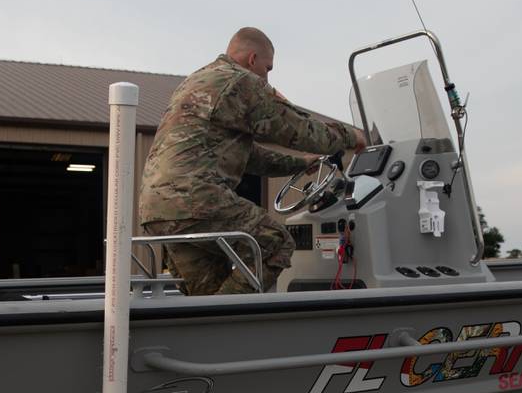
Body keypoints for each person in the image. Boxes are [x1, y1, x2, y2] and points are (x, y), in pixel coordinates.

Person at [138, 27, 366, 294]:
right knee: (276, 243)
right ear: (252, 59)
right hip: (195, 200)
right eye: (268, 68)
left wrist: (300, 163)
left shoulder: (197, 81)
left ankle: (215, 328)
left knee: (206, 294)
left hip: (157, 210)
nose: (267, 77)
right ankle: (224, 322)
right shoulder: (241, 82)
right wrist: (353, 136)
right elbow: (300, 131)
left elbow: (249, 157)